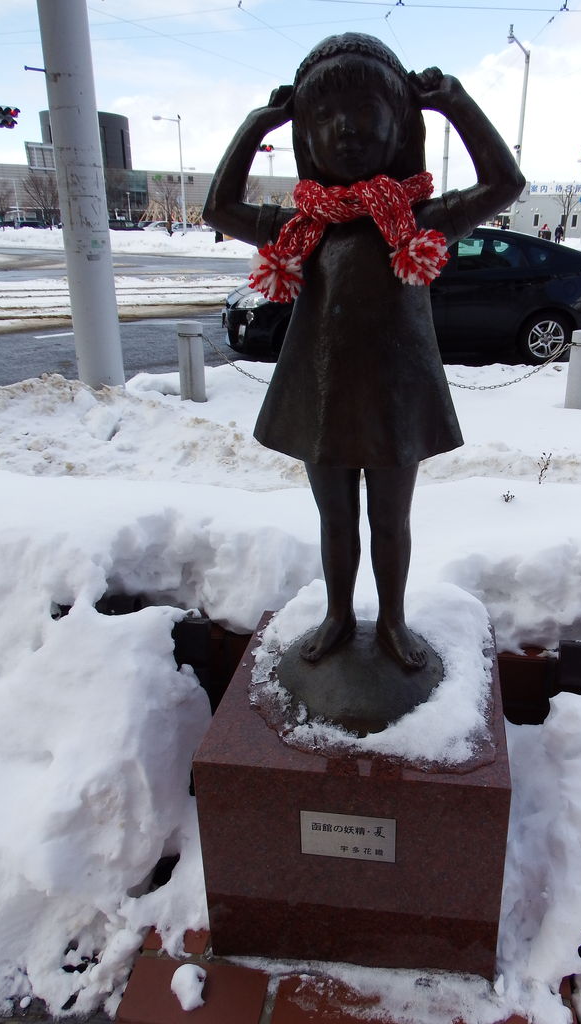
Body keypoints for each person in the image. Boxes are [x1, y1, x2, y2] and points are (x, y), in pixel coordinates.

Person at [204, 33, 524, 669]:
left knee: (390, 521)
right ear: (305, 134)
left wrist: (455, 104)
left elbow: (504, 182)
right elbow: (219, 207)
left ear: (399, 124)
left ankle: (393, 621)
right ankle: (339, 614)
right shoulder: (303, 227)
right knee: (335, 520)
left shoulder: (418, 220)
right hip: (320, 396)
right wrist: (258, 124)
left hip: (394, 397)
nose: (344, 128)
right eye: (323, 115)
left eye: (364, 110)